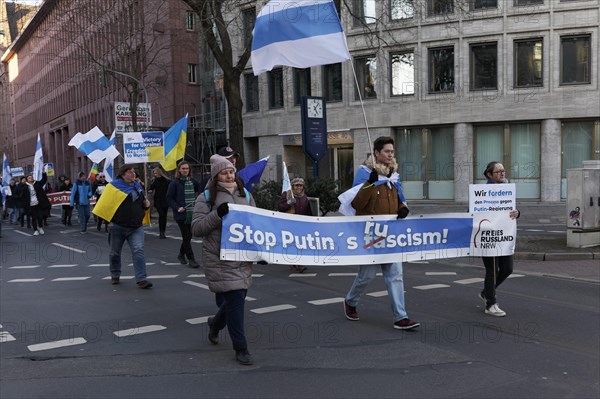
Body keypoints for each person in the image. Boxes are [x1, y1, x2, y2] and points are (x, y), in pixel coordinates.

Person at [343, 136, 419, 330]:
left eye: (392, 151)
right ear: (376, 153)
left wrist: (403, 207)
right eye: (387, 151)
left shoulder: (394, 174)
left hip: (391, 234)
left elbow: (400, 196)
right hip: (370, 234)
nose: (390, 155)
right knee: (366, 276)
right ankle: (350, 301)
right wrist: (370, 184)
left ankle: (400, 317)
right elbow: (356, 203)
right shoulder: (365, 173)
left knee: (395, 275)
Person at [191, 154, 256, 366]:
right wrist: (217, 214)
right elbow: (197, 228)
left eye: (231, 172)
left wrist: (262, 252)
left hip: (243, 256)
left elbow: (257, 225)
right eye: (224, 172)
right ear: (216, 175)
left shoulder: (245, 193)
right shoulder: (206, 197)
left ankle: (215, 324)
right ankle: (241, 347)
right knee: (236, 299)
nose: (229, 175)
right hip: (220, 257)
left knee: (234, 300)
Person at [93, 164, 153, 289]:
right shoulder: (113, 187)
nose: (133, 174)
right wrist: (108, 222)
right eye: (130, 172)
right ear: (122, 174)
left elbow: (141, 204)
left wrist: (147, 205)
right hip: (117, 226)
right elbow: (104, 205)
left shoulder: (138, 186)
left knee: (139, 251)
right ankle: (115, 274)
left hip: (136, 226)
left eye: (134, 172)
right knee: (115, 252)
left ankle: (141, 279)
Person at [479, 161, 520, 317]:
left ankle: (486, 292)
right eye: (498, 171)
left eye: (503, 170)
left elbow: (511, 210)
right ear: (489, 174)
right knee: (492, 271)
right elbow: (472, 211)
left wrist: (517, 213)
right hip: (489, 236)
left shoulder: (507, 189)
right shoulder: (482, 191)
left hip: (504, 236)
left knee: (507, 269)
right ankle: (491, 304)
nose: (502, 173)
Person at [167, 161, 201, 268]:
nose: (185, 170)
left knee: (189, 236)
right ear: (179, 170)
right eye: (183, 169)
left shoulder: (193, 181)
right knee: (186, 236)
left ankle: (181, 254)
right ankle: (191, 259)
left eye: (187, 168)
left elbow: (201, 190)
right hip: (181, 214)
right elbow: (169, 198)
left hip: (192, 212)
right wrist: (177, 207)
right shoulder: (175, 183)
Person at [277, 177, 312, 273]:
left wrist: (311, 223)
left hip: (301, 226)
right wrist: (289, 203)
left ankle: (297, 263)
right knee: (292, 245)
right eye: (296, 185)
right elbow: (280, 207)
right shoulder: (287, 195)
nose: (299, 188)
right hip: (289, 225)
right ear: (292, 186)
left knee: (300, 245)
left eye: (300, 185)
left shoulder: (305, 197)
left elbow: (308, 212)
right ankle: (296, 264)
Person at [148, 166, 170, 239]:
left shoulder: (167, 181)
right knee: (161, 215)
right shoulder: (155, 181)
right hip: (158, 201)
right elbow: (151, 188)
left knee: (164, 216)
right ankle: (161, 232)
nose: (154, 174)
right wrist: (150, 191)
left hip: (165, 200)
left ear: (159, 172)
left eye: (155, 173)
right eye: (154, 173)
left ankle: (163, 231)